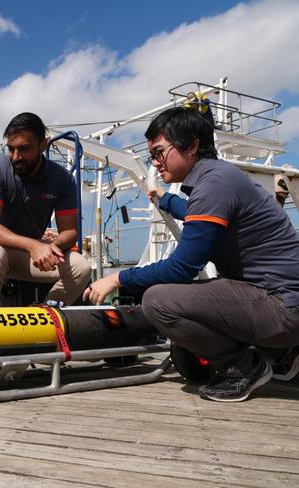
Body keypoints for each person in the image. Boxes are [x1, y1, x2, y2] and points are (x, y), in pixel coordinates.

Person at [84, 107, 299, 402]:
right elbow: (197, 214)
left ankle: (244, 367)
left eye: (159, 153)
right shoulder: (221, 177)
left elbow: (181, 268)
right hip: (283, 298)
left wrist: (117, 278)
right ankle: (280, 351)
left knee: (159, 301)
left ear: (193, 145)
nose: (156, 163)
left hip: (283, 306)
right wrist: (165, 199)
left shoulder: (213, 185)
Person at [0, 112, 91, 307]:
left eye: (24, 149)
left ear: (43, 145)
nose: (16, 157)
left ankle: (45, 314)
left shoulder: (62, 179)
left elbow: (70, 232)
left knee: (81, 267)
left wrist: (53, 247)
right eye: (11, 149)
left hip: (28, 253)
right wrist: (33, 245)